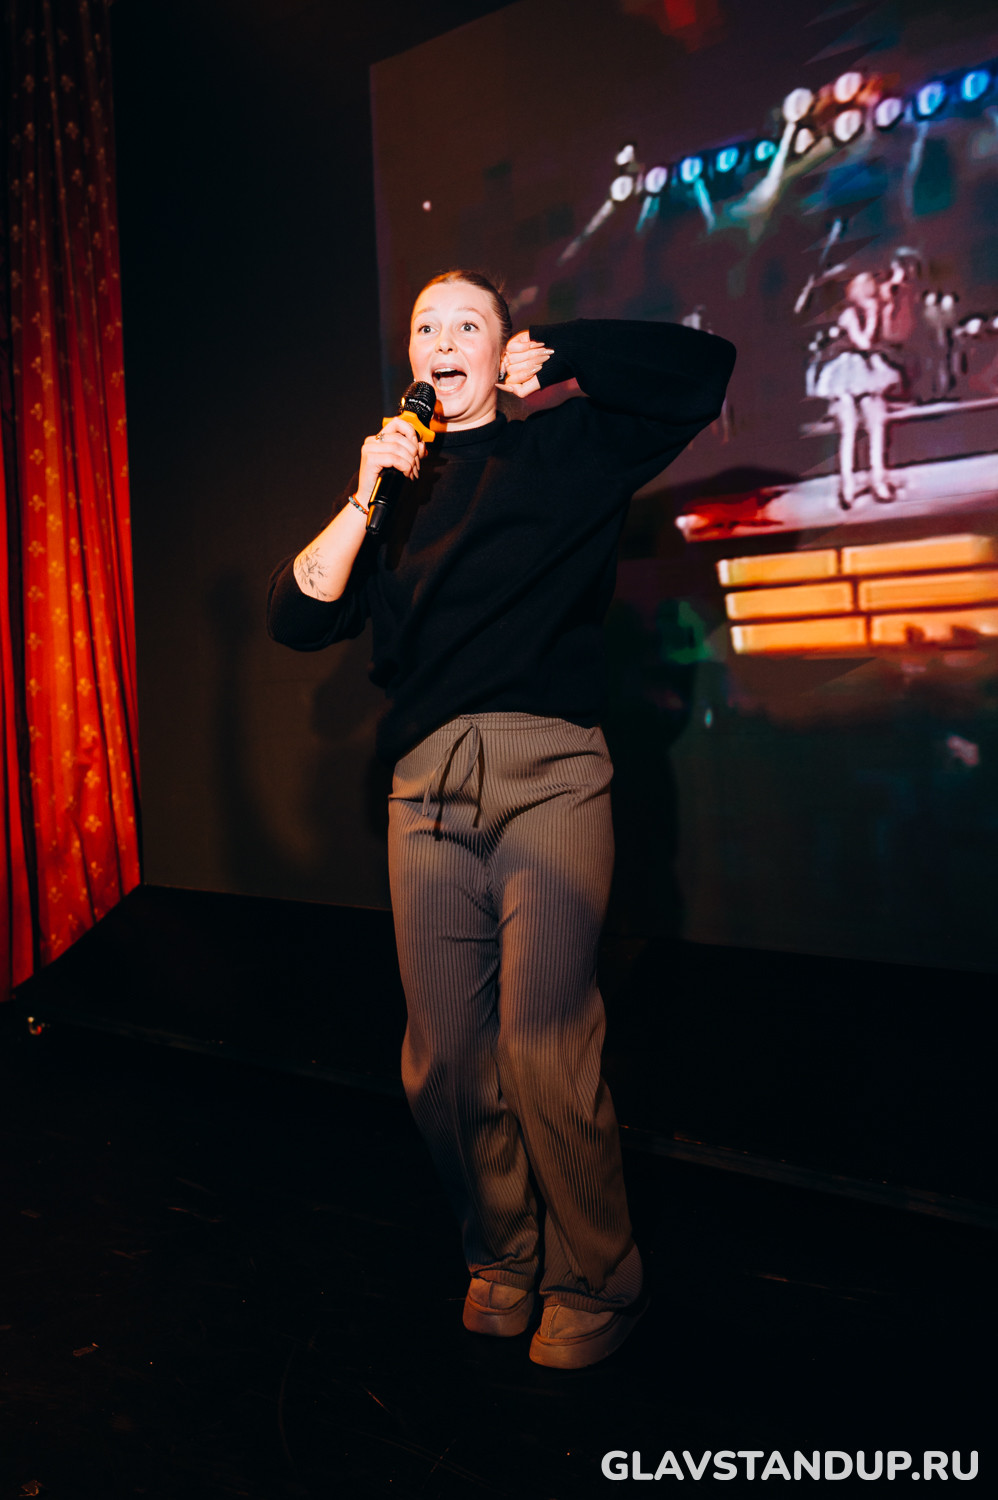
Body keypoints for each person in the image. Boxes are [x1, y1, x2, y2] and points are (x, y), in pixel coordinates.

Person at [267, 270, 735, 1368]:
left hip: (549, 769)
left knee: (541, 1046)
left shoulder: (566, 451)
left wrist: (563, 349)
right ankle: (504, 1253)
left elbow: (699, 373)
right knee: (442, 1062)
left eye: (466, 324)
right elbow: (298, 619)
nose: (442, 340)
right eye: (425, 326)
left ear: (499, 349)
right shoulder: (396, 490)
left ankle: (597, 1277)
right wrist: (366, 493)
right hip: (424, 786)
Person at [814, 266, 905, 509]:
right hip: (847, 373)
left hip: (869, 370)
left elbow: (886, 337)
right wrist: (874, 315)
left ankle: (878, 480)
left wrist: (886, 309)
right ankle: (847, 486)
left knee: (877, 425)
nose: (870, 295)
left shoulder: (874, 309)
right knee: (849, 430)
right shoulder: (849, 315)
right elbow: (863, 342)